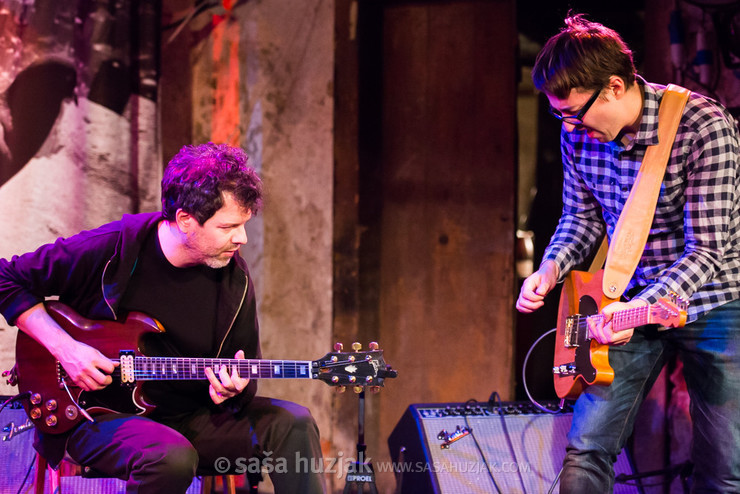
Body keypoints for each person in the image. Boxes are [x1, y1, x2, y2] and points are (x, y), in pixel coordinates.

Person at [0, 142, 326, 493]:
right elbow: (6, 279)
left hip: (188, 420)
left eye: (243, 225)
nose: (241, 238)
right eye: (228, 226)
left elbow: (241, 373)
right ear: (186, 219)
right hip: (92, 415)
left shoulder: (235, 281)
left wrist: (231, 391)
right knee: (170, 456)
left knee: (294, 424)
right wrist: (67, 349)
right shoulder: (112, 249)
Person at [516, 14, 740, 493]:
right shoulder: (577, 131)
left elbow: (706, 251)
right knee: (587, 449)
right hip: (625, 298)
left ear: (615, 86)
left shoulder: (705, 127)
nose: (570, 125)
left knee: (724, 467)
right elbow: (581, 219)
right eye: (560, 116)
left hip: (716, 300)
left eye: (575, 113)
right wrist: (551, 268)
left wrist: (636, 311)